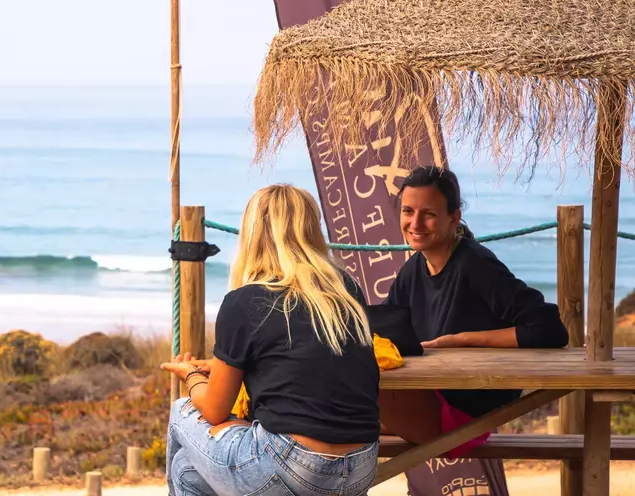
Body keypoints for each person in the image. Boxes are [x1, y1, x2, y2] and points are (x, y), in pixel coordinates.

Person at [162, 185, 381, 496]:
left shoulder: (244, 302)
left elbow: (213, 409)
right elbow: (306, 353)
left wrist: (193, 376)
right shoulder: (345, 290)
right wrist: (224, 366)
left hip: (293, 465)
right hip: (361, 465)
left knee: (182, 412)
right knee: (187, 469)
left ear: (252, 235)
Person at [379, 165, 569, 451]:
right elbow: (384, 328)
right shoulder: (413, 270)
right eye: (408, 211)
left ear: (454, 217)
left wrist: (463, 339)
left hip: (463, 420)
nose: (415, 224)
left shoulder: (475, 264)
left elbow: (551, 329)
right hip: (426, 400)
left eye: (428, 214)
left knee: (335, 417)